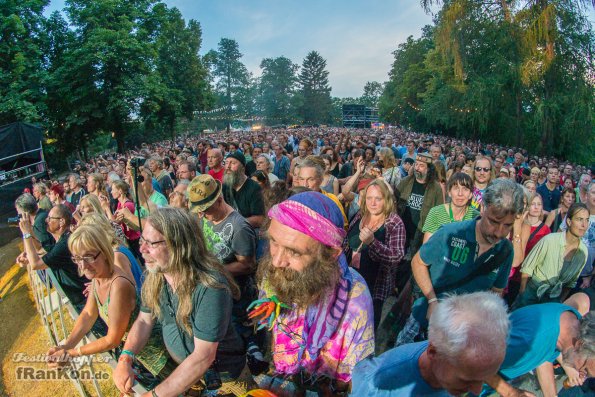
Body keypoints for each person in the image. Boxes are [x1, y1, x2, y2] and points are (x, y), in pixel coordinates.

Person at [113, 208, 253, 396]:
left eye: (151, 243)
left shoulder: (210, 286)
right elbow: (144, 320)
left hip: (227, 379)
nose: (142, 249)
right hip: (189, 377)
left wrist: (154, 395)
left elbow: (203, 356)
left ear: (178, 246)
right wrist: (126, 358)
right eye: (142, 240)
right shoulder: (155, 276)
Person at [255, 191, 374, 396]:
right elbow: (274, 327)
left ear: (331, 253)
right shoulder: (274, 271)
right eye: (274, 242)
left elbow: (354, 380)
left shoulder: (355, 302)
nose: (276, 261)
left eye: (294, 251)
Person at [399, 178, 523, 345]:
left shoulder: (505, 251)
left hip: (461, 334)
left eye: (508, 225)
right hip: (426, 319)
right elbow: (418, 262)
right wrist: (432, 301)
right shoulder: (451, 233)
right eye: (494, 222)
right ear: (483, 208)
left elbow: (496, 292)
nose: (499, 232)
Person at [45, 224, 168, 378]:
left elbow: (112, 339)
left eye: (88, 257)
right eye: (77, 258)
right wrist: (65, 346)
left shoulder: (118, 285)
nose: (83, 266)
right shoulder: (98, 277)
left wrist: (72, 353)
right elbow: (89, 313)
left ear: (104, 252)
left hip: (159, 358)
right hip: (141, 356)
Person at [351, 291, 510, 397]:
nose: (477, 391)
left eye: (484, 377)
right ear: (433, 352)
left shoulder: (453, 351)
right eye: (467, 380)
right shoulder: (376, 386)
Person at [483, 296, 594, 397]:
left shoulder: (569, 324)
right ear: (580, 344)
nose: (581, 375)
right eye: (584, 369)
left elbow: (543, 358)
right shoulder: (530, 339)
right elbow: (472, 360)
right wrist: (509, 392)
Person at [345, 179, 406, 330]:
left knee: (367, 326)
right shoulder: (360, 215)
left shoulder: (394, 222)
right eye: (369, 198)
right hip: (349, 281)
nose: (373, 203)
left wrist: (373, 242)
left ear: (386, 200)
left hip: (374, 286)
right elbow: (347, 241)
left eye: (378, 199)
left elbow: (396, 256)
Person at [515, 203, 589, 308]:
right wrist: (522, 296)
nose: (584, 225)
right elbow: (526, 270)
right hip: (531, 295)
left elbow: (570, 283)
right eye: (580, 219)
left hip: (553, 300)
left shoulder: (583, 252)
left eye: (587, 220)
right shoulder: (550, 240)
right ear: (569, 221)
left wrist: (559, 302)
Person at [17, 204, 89, 310]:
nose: (46, 220)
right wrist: (29, 255)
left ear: (62, 222)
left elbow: (36, 264)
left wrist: (26, 234)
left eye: (50, 218)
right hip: (80, 296)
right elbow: (40, 250)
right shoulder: (62, 239)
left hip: (82, 299)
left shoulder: (64, 244)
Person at [396, 152, 444, 256]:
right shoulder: (406, 181)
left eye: (421, 166)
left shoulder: (436, 188)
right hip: (402, 230)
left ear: (429, 169)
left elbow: (439, 212)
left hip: (420, 233)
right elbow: (394, 199)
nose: (417, 168)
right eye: (416, 164)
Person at [422, 172, 480, 243]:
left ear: (471, 194)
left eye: (465, 189)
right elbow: (426, 247)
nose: (460, 193)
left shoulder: (476, 217)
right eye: (456, 188)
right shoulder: (436, 212)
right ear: (449, 192)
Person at [222, 151, 266, 229]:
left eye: (233, 163)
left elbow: (259, 219)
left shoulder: (254, 188)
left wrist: (234, 224)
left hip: (247, 231)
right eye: (226, 163)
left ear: (243, 167)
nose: (228, 166)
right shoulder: (225, 186)